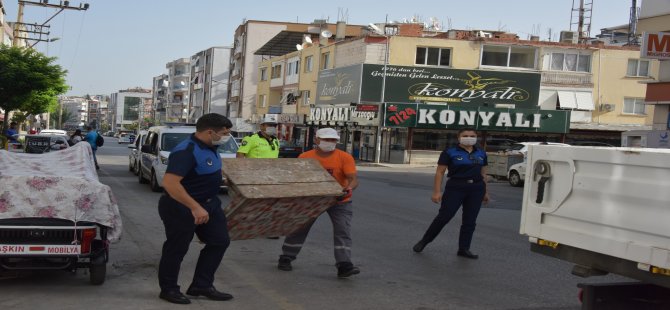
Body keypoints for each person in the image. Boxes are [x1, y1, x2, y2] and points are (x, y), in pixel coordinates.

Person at [157, 113, 234, 305]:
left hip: (209, 204)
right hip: (181, 206)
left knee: (219, 241)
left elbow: (202, 172)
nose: (227, 137)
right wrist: (195, 207)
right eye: (225, 133)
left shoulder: (211, 146)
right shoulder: (186, 150)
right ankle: (169, 289)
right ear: (210, 132)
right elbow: (170, 183)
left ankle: (201, 285)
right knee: (177, 248)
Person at [277, 128, 361, 278]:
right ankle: (286, 257)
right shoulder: (305, 157)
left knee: (343, 231)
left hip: (339, 200)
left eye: (333, 140)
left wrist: (348, 188)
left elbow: (352, 178)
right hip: (313, 199)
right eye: (326, 140)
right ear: (316, 140)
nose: (330, 143)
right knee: (300, 228)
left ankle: (344, 265)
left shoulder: (344, 157)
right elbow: (297, 178)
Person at [412, 128, 490, 259]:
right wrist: (437, 192)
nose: (469, 137)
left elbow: (484, 174)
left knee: (470, 221)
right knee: (444, 216)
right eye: (465, 135)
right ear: (459, 138)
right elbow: (440, 172)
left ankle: (464, 248)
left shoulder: (481, 153)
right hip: (456, 187)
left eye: (472, 135)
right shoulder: (449, 152)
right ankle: (424, 241)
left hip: (476, 188)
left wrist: (486, 192)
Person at [236, 115, 281, 239]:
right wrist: (242, 174)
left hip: (271, 177)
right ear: (261, 126)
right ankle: (244, 226)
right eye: (269, 125)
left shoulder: (276, 140)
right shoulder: (251, 139)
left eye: (274, 126)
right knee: (253, 203)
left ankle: (268, 229)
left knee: (271, 203)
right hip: (255, 176)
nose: (272, 128)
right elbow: (240, 155)